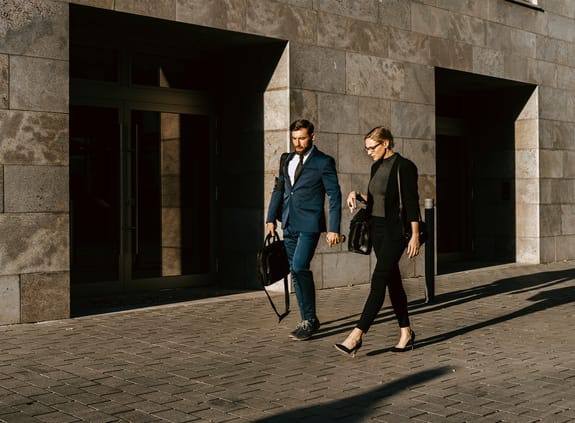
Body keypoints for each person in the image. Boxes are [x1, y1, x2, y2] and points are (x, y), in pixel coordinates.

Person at [334, 126, 421, 357]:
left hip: (396, 232)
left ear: (386, 143)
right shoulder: (376, 166)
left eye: (372, 147)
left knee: (379, 279)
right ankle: (406, 333)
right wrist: (357, 194)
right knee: (393, 282)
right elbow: (376, 199)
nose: (369, 152)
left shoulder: (405, 166)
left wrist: (415, 235)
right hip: (377, 230)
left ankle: (356, 336)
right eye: (366, 149)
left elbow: (412, 203)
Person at [266, 119, 342, 341]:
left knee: (300, 267)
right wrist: (271, 218)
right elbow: (279, 190)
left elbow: (334, 196)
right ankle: (308, 319)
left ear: (312, 137)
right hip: (288, 223)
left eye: (302, 138)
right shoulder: (286, 159)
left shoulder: (323, 162)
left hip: (310, 224)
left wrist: (333, 228)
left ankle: (309, 320)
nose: (297, 142)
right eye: (294, 138)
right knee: (294, 272)